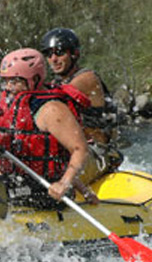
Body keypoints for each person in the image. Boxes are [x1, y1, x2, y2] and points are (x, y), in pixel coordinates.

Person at [0, 48, 95, 209]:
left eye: (15, 81)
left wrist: (64, 183)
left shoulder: (52, 110)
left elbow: (80, 149)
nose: (9, 87)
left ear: (35, 79)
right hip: (20, 181)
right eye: (6, 80)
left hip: (47, 189)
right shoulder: (10, 104)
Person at [40, 28, 123, 183]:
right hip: (76, 152)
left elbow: (52, 98)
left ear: (74, 53)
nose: (53, 59)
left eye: (59, 52)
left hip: (98, 153)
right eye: (49, 54)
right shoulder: (56, 83)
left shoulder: (87, 78)